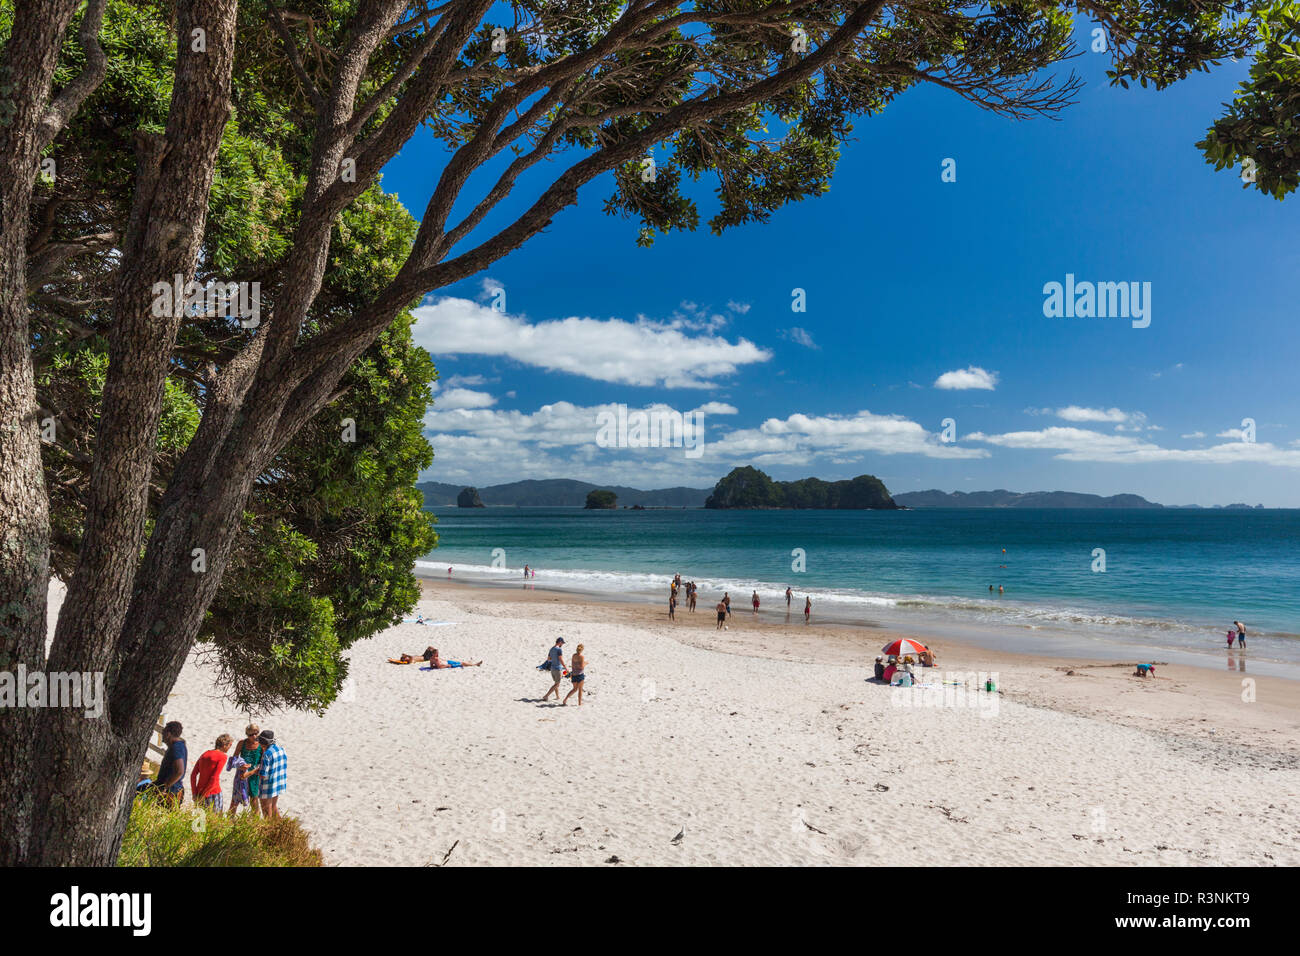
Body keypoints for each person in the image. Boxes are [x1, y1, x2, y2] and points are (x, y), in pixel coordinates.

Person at [190, 734, 232, 812]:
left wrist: (194, 793)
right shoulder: (222, 756)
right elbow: (214, 778)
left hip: (199, 792)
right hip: (213, 792)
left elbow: (193, 775)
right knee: (216, 820)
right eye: (230, 745)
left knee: (201, 820)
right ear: (225, 745)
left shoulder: (205, 754)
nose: (230, 748)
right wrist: (203, 796)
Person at [229, 724, 262, 817]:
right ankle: (229, 820)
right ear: (247, 735)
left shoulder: (260, 745)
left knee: (254, 800)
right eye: (251, 735)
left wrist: (254, 771)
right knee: (235, 800)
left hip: (254, 776)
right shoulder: (242, 743)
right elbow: (234, 759)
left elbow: (263, 761)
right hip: (241, 775)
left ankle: (255, 823)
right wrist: (240, 766)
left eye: (256, 733)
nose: (254, 736)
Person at [152, 721, 187, 806]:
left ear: (168, 734)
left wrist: (165, 786)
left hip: (170, 791)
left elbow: (179, 771)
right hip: (172, 789)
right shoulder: (179, 746)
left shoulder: (176, 748)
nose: (162, 735)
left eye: (163, 733)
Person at [257, 730, 288, 819]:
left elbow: (263, 774)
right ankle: (280, 828)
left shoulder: (267, 754)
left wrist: (254, 771)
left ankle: (268, 829)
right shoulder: (281, 749)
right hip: (278, 783)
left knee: (266, 808)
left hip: (268, 785)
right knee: (273, 806)